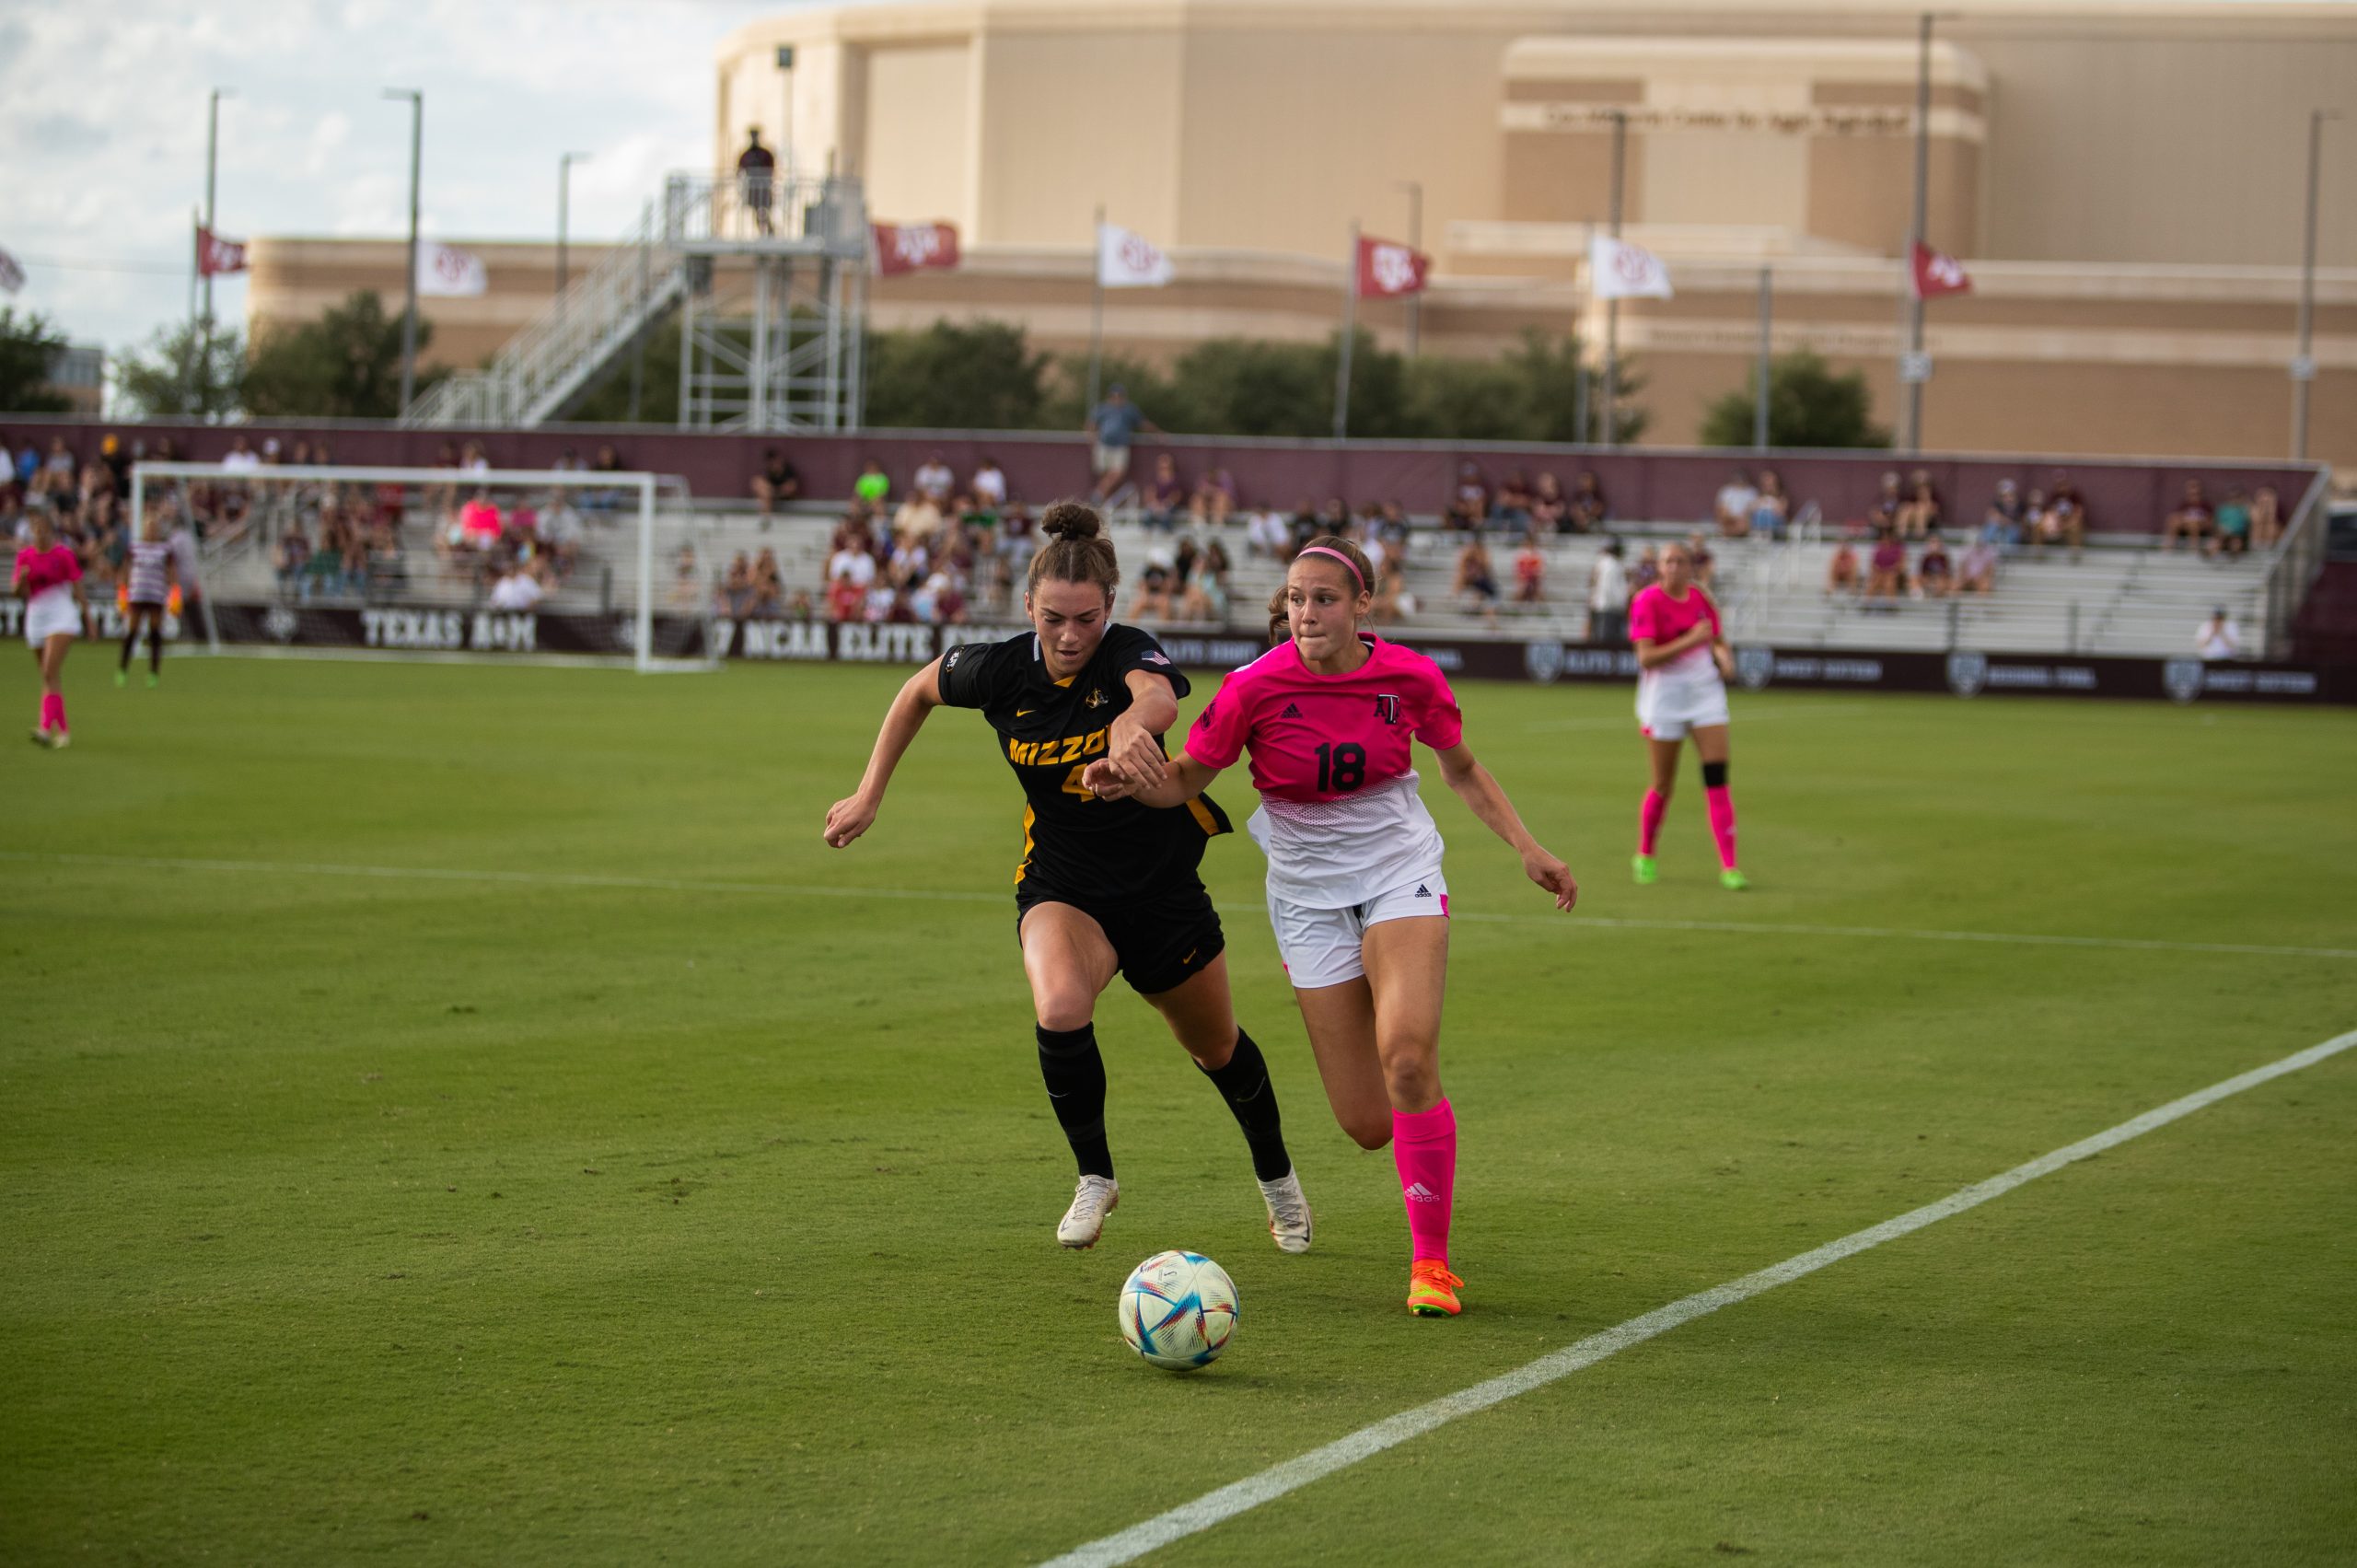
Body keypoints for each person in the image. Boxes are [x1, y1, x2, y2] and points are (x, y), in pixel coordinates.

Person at [1082, 535, 1578, 1318]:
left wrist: (1527, 847)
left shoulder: (1410, 676)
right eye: (1296, 598)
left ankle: (1432, 1265)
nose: (1306, 613)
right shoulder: (1251, 686)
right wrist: (1127, 781)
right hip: (1307, 896)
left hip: (1396, 872)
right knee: (1368, 1122)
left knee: (1408, 1056)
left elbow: (1461, 768)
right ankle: (1416, 1145)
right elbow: (1183, 781)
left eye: (1324, 599)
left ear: (1361, 606)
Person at [822, 503, 1313, 1255]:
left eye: (1087, 618)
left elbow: (1156, 696)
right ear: (1029, 606)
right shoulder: (999, 669)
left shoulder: (1128, 652)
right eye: (1053, 617)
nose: (1070, 634)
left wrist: (1128, 731)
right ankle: (1095, 1176)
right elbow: (918, 690)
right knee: (1059, 1006)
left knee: (1216, 1046)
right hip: (1064, 881)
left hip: (1159, 889)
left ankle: (1278, 1179)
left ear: (1110, 609)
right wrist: (868, 792)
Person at [1628, 540, 1746, 890]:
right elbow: (1646, 658)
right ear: (1659, 567)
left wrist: (1725, 656)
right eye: (1668, 561)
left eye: (1680, 561)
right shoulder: (1646, 601)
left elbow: (1718, 638)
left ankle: (1730, 866)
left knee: (1717, 778)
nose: (1674, 567)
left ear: (1691, 566)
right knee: (1663, 784)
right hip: (1664, 697)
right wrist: (1693, 639)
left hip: (1705, 694)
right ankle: (1645, 854)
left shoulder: (1700, 598)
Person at [15, 501, 87, 748]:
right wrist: (22, 580)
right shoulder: (25, 556)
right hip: (37, 615)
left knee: (48, 671)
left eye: (43, 527)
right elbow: (17, 591)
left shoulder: (63, 555)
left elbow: (77, 586)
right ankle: (63, 732)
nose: (39, 531)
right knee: (49, 676)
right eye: (35, 527)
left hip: (62, 613)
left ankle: (45, 729)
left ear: (50, 529)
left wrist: (88, 617)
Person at [117, 507, 177, 688]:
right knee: (132, 631)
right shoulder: (134, 548)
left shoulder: (165, 549)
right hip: (137, 594)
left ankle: (153, 672)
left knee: (155, 633)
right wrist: (122, 592)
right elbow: (124, 571)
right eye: (148, 526)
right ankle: (122, 669)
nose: (151, 529)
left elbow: (171, 573)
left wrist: (174, 592)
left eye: (154, 526)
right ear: (143, 528)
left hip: (156, 595)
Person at [1086, 385, 1152, 501]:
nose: (1116, 399)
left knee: (1118, 473)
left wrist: (1158, 433)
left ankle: (1097, 495)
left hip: (1121, 446)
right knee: (1104, 474)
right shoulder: (1102, 409)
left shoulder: (1129, 409)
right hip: (1104, 445)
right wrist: (1091, 440)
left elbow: (1143, 423)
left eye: (1119, 396)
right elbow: (1091, 424)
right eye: (1114, 396)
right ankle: (1103, 504)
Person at [1587, 539, 1630, 645]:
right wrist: (1622, 604)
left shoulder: (1602, 563)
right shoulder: (1612, 565)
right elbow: (1610, 589)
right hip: (1610, 609)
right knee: (1608, 643)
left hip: (1601, 607)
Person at [737, 129, 777, 236]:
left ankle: (769, 230)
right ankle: (764, 231)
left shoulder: (765, 153)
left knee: (764, 211)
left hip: (764, 188)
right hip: (752, 189)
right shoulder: (746, 154)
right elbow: (739, 171)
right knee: (758, 212)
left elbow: (771, 169)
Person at [751, 447, 800, 522]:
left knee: (766, 492)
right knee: (758, 482)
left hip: (784, 499)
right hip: (771, 497)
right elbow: (763, 486)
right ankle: (765, 518)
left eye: (775, 462)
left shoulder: (788, 471)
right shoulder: (770, 473)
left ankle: (765, 518)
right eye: (771, 463)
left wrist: (775, 492)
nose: (774, 465)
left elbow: (791, 488)